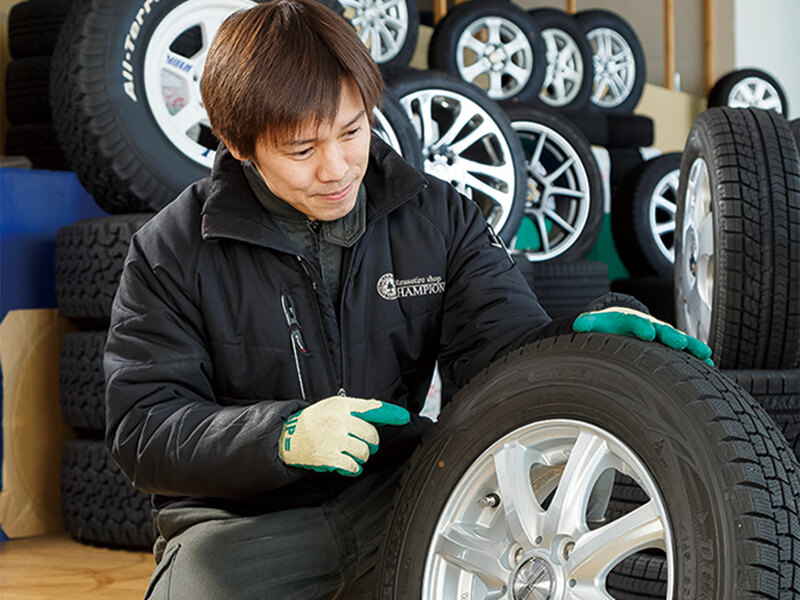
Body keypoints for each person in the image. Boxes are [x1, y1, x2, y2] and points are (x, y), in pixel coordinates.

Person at [103, 1, 712, 598]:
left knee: (562, 436)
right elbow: (143, 428)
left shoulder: (439, 216)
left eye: (352, 130)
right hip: (242, 527)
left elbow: (503, 350)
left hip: (401, 492)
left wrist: (580, 339)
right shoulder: (171, 250)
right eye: (302, 150)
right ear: (240, 146)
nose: (338, 168)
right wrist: (281, 437)